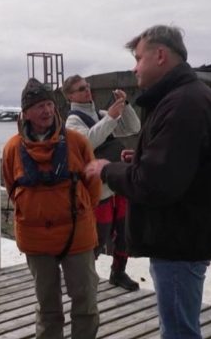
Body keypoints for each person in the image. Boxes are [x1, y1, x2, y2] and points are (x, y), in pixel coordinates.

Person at [85, 25, 211, 339]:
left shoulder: (182, 105)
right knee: (178, 327)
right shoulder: (191, 97)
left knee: (179, 332)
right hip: (186, 235)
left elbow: (154, 183)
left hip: (179, 242)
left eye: (139, 58)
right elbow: (180, 165)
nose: (134, 67)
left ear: (161, 56)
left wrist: (107, 169)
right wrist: (137, 158)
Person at [2, 78, 101, 339]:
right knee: (47, 306)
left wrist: (79, 212)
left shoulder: (78, 142)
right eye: (38, 106)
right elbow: (11, 185)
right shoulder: (13, 147)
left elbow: (93, 185)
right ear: (26, 113)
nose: (46, 111)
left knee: (86, 302)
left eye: (49, 104)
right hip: (36, 240)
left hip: (77, 236)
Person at [62, 74, 141, 291]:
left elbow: (134, 127)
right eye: (80, 89)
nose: (87, 91)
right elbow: (85, 142)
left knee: (124, 231)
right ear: (70, 96)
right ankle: (83, 276)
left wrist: (124, 105)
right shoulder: (72, 121)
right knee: (99, 235)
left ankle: (118, 272)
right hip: (99, 189)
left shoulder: (101, 114)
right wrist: (110, 119)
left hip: (118, 182)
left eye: (87, 86)